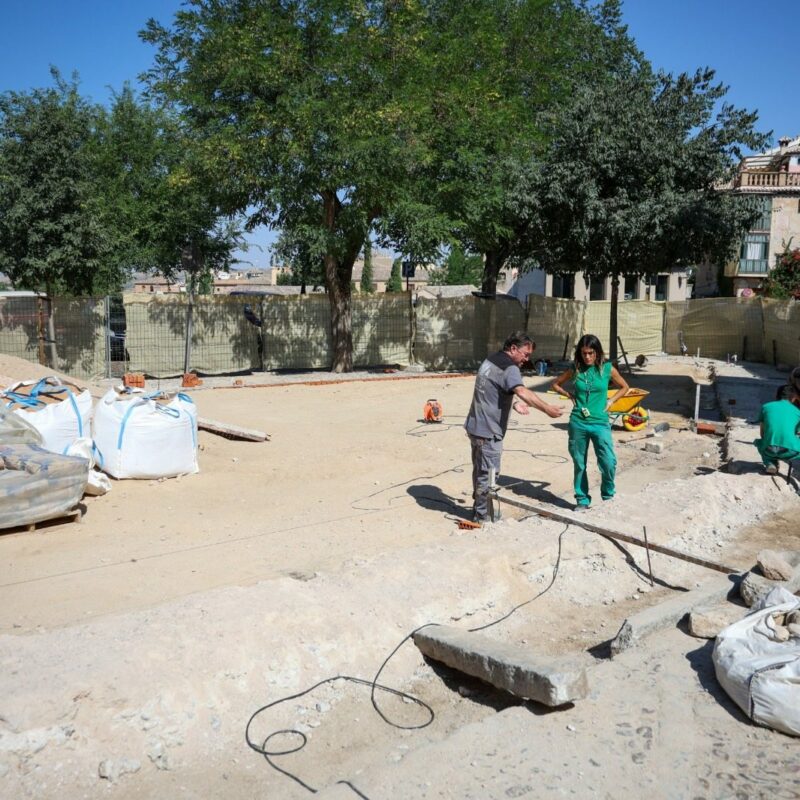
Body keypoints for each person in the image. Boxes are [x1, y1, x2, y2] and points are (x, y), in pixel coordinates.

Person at [464, 332, 563, 524]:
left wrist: (514, 402)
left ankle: (479, 510)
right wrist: (547, 409)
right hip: (489, 432)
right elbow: (522, 390)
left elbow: (496, 387)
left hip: (475, 426)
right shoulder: (510, 368)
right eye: (525, 354)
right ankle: (481, 518)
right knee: (489, 477)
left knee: (479, 472)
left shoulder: (492, 360)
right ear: (513, 349)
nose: (526, 360)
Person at [551, 334, 629, 511]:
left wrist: (611, 401)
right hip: (578, 422)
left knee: (608, 461)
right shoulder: (575, 369)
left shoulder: (607, 369)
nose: (587, 357)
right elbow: (556, 384)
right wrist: (569, 395)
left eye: (591, 353)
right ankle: (582, 499)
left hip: (600, 422)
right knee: (579, 463)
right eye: (584, 353)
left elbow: (624, 387)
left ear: (598, 352)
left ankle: (608, 495)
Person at [754, 367, 800, 474]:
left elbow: (762, 432)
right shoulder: (796, 411)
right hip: (791, 450)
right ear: (794, 396)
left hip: (768, 447)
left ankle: (770, 463)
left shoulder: (766, 406)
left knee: (763, 444)